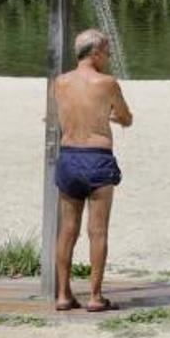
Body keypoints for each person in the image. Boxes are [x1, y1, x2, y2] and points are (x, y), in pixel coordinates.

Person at [53, 29, 133, 312]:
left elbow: (62, 114)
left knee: (67, 230)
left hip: (70, 156)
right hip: (97, 157)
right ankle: (95, 296)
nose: (109, 56)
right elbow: (126, 117)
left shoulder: (60, 82)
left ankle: (63, 294)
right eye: (108, 51)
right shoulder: (107, 83)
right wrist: (112, 116)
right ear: (95, 53)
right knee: (97, 231)